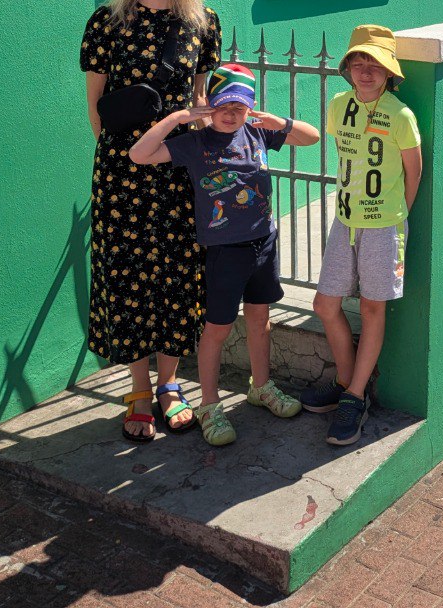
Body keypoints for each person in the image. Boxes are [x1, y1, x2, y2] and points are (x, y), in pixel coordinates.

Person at [81, 0, 221, 442]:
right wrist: (120, 160)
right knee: (130, 274)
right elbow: (96, 107)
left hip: (176, 168)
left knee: (177, 273)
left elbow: (199, 102)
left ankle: (169, 386)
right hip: (121, 174)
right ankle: (138, 389)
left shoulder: (203, 23)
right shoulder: (107, 23)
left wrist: (194, 153)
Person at [130, 63, 321, 446]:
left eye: (241, 106)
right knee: (217, 329)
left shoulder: (256, 133)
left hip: (263, 243)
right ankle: (210, 405)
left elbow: (312, 137)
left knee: (260, 318)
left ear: (251, 108)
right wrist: (181, 117)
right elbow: (139, 155)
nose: (231, 113)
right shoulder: (196, 143)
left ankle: (261, 387)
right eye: (223, 105)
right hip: (223, 251)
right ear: (210, 105)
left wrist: (277, 121)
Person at [300, 25, 423, 447]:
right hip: (345, 221)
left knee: (372, 308)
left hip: (384, 225)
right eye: (358, 62)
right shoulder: (338, 106)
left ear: (390, 73)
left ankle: (354, 398)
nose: (365, 71)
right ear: (347, 67)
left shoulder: (401, 116)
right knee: (325, 303)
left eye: (375, 64)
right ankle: (346, 379)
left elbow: (413, 172)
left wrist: (393, 217)